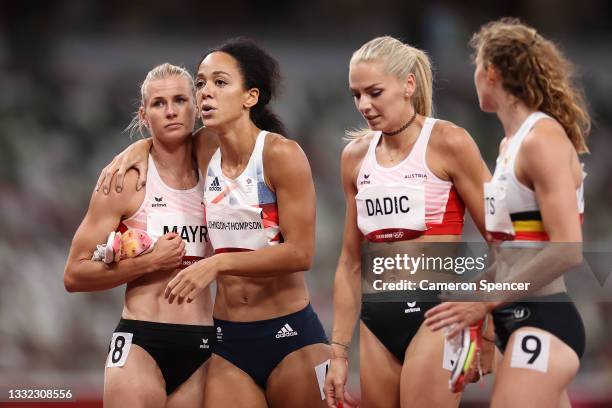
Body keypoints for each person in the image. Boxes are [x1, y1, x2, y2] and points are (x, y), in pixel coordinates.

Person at [96, 38, 332, 408]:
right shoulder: (206, 150)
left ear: (250, 96)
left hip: (290, 332)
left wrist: (218, 262)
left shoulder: (281, 155)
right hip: (228, 343)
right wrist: (134, 149)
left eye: (219, 83)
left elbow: (301, 253)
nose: (205, 92)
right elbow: (162, 139)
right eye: (202, 83)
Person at [424, 18, 589, 407]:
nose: (475, 77)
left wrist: (484, 302)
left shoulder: (542, 138)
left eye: (477, 68)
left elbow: (568, 249)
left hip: (544, 323)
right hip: (511, 323)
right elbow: (508, 256)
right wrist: (473, 312)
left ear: (492, 72)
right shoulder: (506, 148)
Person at [323, 36, 492, 408]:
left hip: (438, 313)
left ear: (408, 85)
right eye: (356, 94)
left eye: (375, 92)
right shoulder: (354, 157)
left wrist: (489, 329)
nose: (364, 105)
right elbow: (350, 261)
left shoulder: (449, 142)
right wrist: (338, 350)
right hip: (376, 320)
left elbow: (504, 240)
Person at [64, 63, 215, 407]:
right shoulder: (125, 181)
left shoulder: (217, 176)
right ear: (144, 115)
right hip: (142, 341)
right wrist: (150, 262)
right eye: (159, 104)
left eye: (180, 100)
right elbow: (74, 274)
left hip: (202, 343)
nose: (172, 111)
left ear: (196, 106)